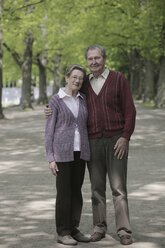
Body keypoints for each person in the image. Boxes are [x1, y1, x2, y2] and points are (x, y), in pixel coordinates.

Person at [45, 45, 136, 245]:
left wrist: (125, 137)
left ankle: (124, 231)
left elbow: (130, 110)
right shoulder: (84, 83)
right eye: (90, 59)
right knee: (96, 188)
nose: (94, 62)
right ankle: (99, 228)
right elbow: (65, 98)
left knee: (118, 188)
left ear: (104, 58)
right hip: (92, 142)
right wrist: (49, 109)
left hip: (115, 141)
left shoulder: (118, 78)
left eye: (97, 58)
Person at [45, 64, 91, 246]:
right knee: (64, 193)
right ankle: (63, 231)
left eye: (80, 78)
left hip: (81, 152)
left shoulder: (83, 99)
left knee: (76, 192)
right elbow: (49, 131)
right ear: (67, 77)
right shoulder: (56, 100)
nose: (77, 80)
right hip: (62, 153)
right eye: (74, 77)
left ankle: (73, 228)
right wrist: (51, 158)